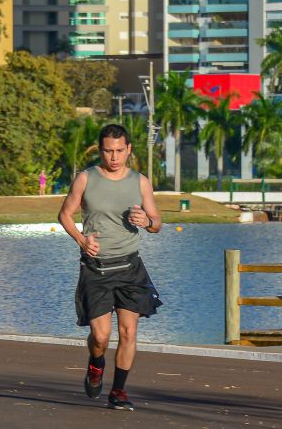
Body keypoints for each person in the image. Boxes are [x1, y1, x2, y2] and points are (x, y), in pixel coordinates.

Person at [57, 123, 162, 411]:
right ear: (100, 150)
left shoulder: (140, 182)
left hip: (130, 268)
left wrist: (147, 222)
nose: (114, 157)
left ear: (128, 149)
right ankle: (96, 363)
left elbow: (157, 222)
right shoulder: (85, 179)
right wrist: (81, 239)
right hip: (96, 270)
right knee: (101, 337)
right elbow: (65, 214)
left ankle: (118, 392)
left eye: (119, 151)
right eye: (108, 151)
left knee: (128, 332)